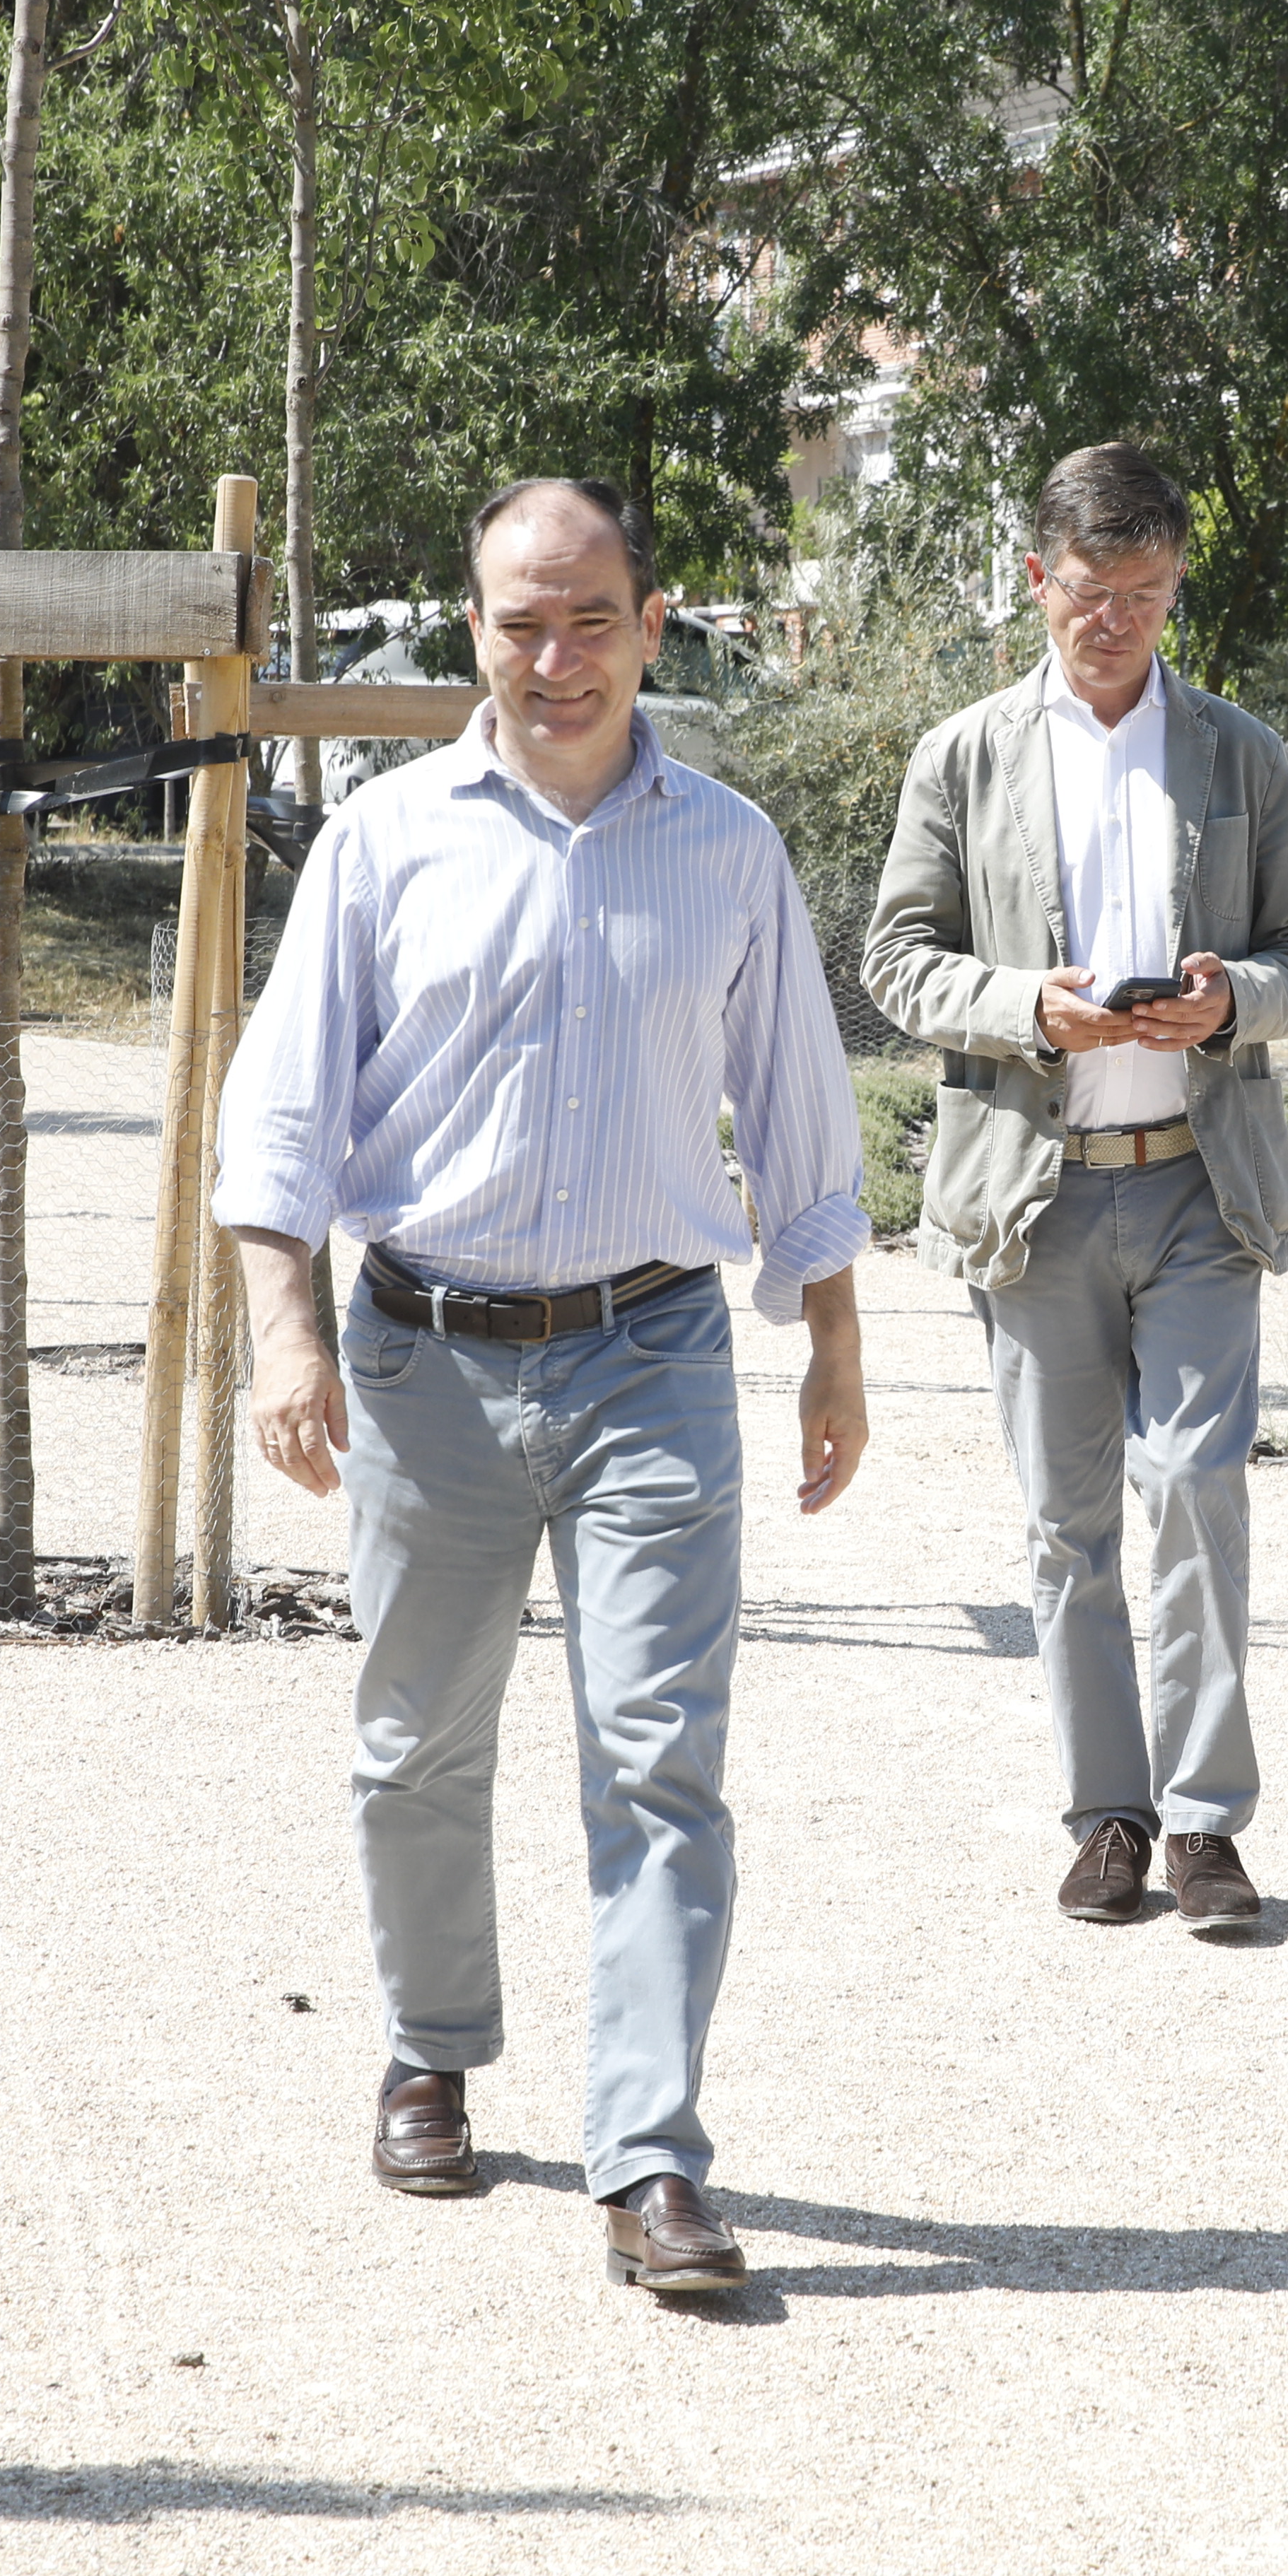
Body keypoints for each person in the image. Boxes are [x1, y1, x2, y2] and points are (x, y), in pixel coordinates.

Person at [213, 476, 872, 2299]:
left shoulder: (728, 847)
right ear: (475, 628)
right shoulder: (381, 841)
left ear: (653, 626)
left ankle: (650, 2156)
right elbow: (283, 1110)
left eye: (593, 618)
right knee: (415, 1738)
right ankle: (430, 2052)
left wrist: (831, 1341)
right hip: (422, 1358)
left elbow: (800, 1109)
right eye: (523, 621)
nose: (558, 656)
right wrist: (284, 1329)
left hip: (654, 1355)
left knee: (661, 1761)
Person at [865, 442, 1288, 1933]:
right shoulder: (963, 756)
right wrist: (1029, 1008)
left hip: (1202, 1187)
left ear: (1176, 584)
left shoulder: (1243, 755)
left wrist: (1232, 998)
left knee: (1195, 1490)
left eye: (1145, 592)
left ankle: (1203, 1825)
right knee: (1068, 1524)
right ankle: (1107, 1818)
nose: (1115, 619)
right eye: (1088, 590)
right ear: (1035, 579)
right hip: (1033, 1195)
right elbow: (894, 961)